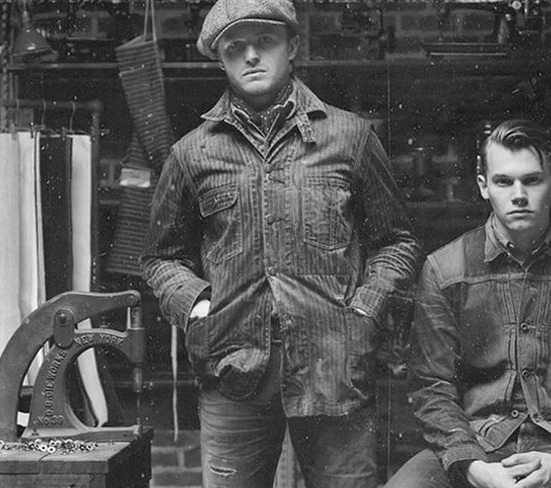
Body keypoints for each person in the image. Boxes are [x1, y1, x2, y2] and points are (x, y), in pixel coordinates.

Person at [140, 1, 421, 487]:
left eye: (264, 42)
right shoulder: (192, 153)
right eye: (235, 47)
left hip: (335, 369)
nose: (251, 55)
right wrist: (198, 306)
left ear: (291, 47)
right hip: (233, 370)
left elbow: (396, 242)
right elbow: (161, 258)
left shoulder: (349, 137)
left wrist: (365, 310)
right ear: (220, 59)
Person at [385, 119, 551, 488]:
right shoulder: (444, 269)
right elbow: (431, 386)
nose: (518, 195)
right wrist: (473, 467)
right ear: (483, 186)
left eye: (532, 180)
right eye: (504, 182)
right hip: (474, 443)